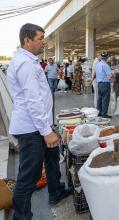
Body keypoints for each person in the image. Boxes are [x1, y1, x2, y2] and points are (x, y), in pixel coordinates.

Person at [6, 23, 71, 220]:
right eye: (40, 38)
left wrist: (47, 127)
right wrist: (46, 131)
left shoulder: (30, 60)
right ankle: (22, 217)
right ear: (27, 40)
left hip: (40, 124)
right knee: (29, 177)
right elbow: (32, 100)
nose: (44, 42)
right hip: (32, 128)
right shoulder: (25, 64)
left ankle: (55, 191)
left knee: (52, 158)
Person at [95, 51, 113, 118]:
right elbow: (110, 75)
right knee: (105, 99)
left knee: (100, 99)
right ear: (107, 57)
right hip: (105, 83)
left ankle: (99, 112)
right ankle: (104, 114)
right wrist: (113, 77)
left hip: (99, 84)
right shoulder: (105, 65)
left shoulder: (98, 64)